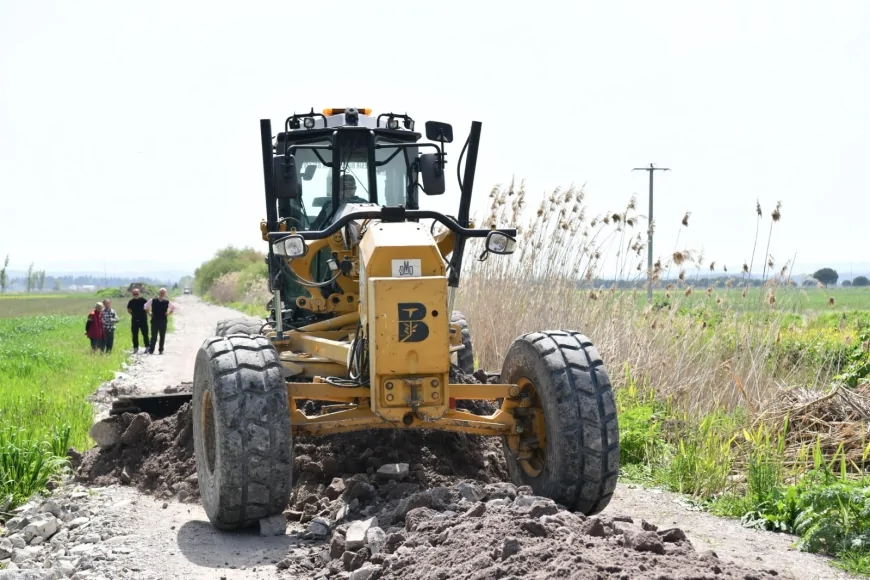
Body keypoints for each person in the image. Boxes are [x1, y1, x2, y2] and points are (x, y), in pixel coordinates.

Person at [144, 287, 175, 354]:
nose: (162, 294)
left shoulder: (167, 302)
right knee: (153, 336)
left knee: (162, 336)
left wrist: (168, 313)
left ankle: (161, 350)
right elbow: (145, 306)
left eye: (163, 293)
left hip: (163, 321)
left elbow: (173, 308)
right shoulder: (153, 300)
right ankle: (151, 350)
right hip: (154, 321)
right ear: (159, 293)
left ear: (165, 294)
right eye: (161, 292)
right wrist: (149, 313)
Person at [127, 288, 150, 354]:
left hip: (143, 320)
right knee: (134, 334)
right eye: (134, 294)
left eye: (137, 293)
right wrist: (133, 314)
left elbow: (147, 308)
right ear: (132, 294)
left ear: (139, 293)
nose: (136, 295)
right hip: (134, 320)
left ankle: (147, 347)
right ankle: (135, 348)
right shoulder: (131, 301)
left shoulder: (144, 300)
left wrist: (148, 313)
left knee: (145, 334)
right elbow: (129, 310)